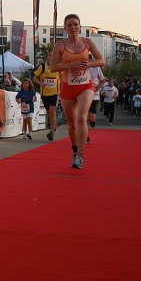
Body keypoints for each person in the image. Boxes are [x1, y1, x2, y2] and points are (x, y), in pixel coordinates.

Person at [49, 13, 105, 169]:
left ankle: (80, 155)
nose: (73, 27)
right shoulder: (60, 45)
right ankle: (74, 148)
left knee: (81, 117)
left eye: (75, 24)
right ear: (65, 28)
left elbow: (101, 61)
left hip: (85, 86)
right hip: (68, 87)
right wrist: (70, 65)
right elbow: (53, 67)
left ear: (80, 26)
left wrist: (88, 64)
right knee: (72, 123)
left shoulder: (87, 42)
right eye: (69, 25)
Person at [32, 58, 60, 140]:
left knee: (52, 111)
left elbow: (63, 77)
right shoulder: (42, 67)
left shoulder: (58, 67)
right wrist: (41, 83)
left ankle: (51, 132)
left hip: (55, 93)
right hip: (45, 93)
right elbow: (34, 78)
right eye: (49, 55)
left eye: (53, 55)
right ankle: (53, 124)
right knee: (48, 112)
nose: (51, 57)